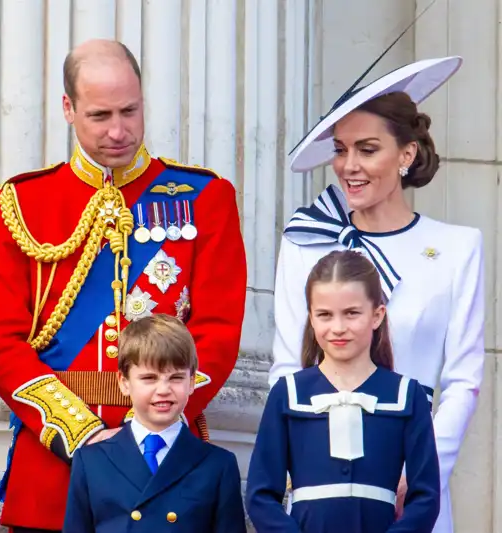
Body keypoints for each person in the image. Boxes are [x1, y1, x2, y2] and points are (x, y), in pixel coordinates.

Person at [0, 38, 247, 532]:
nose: (119, 131)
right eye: (100, 115)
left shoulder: (205, 198)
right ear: (68, 109)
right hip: (54, 466)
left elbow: (219, 331)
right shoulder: (20, 204)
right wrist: (78, 432)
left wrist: (154, 425)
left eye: (131, 110)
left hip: (167, 461)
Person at [270, 56, 484, 533]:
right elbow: (287, 368)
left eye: (367, 149)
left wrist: (421, 470)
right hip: (321, 483)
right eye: (341, 149)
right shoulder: (306, 242)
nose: (349, 165)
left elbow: (464, 380)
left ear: (406, 154)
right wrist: (310, 463)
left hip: (413, 476)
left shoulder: (457, 248)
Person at [249, 250, 440, 532]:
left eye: (351, 313)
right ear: (311, 318)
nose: (338, 328)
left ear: (377, 316)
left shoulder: (406, 395)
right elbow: (260, 495)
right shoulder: (288, 393)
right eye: (325, 315)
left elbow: (426, 497)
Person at [63, 314, 247, 533]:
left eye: (176, 378)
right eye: (149, 378)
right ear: (124, 383)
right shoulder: (91, 461)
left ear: (192, 382)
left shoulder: (218, 465)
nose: (163, 390)